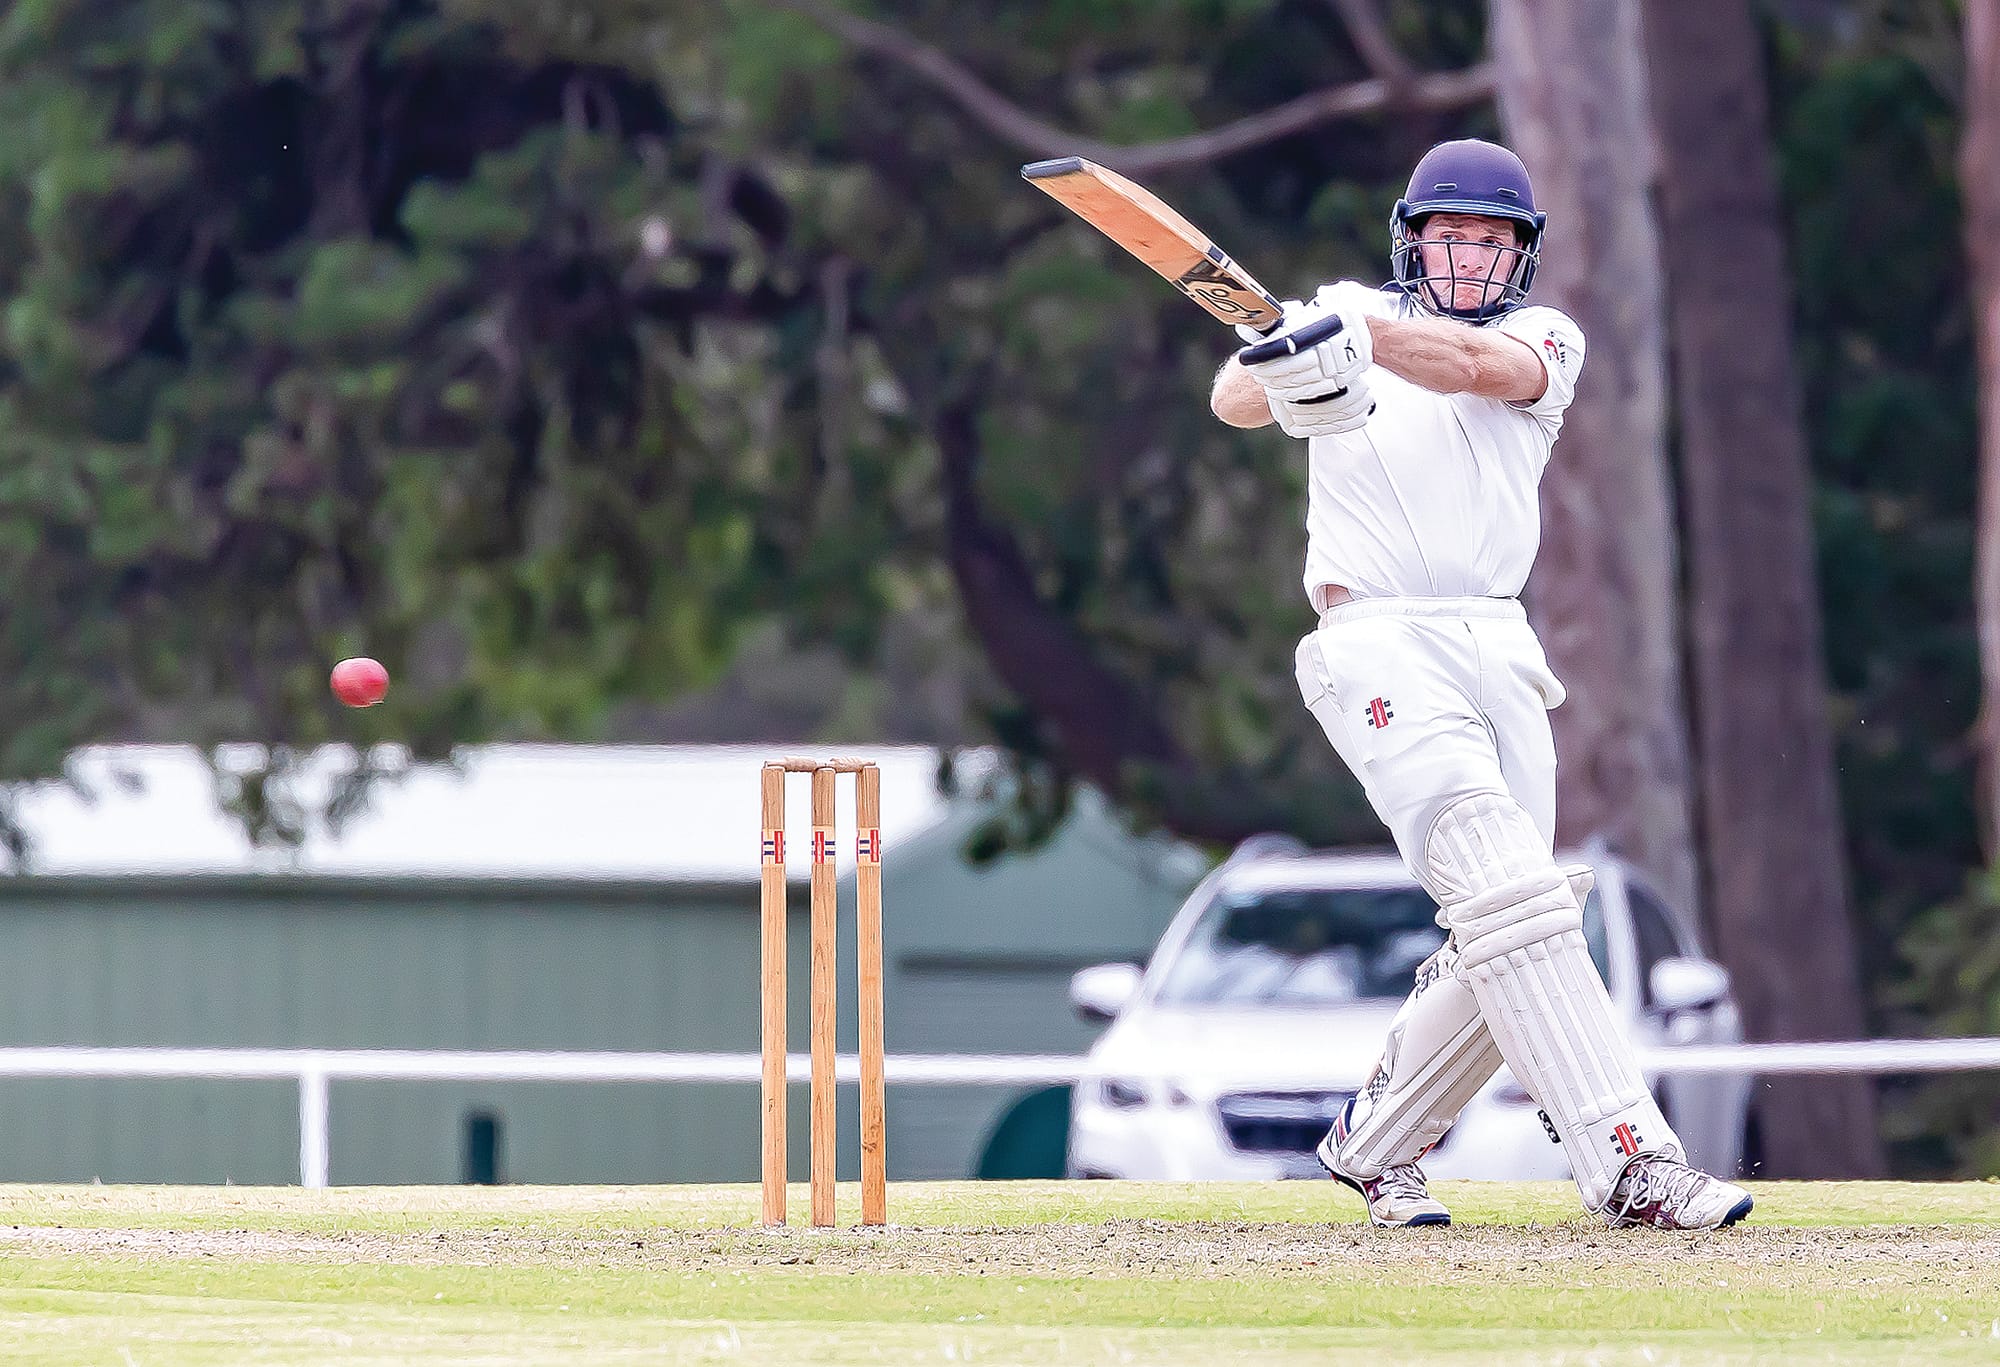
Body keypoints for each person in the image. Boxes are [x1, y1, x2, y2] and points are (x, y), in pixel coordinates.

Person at [1209, 138, 1753, 1232]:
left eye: (1489, 241)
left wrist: (1357, 337)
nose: (1468, 258)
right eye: (1449, 236)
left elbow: (1465, 369)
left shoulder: (1542, 338)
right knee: (1507, 893)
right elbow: (1231, 398)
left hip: (1496, 646)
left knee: (1515, 924)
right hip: (1373, 635)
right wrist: (1286, 357)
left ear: (1521, 256)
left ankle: (1373, 1145)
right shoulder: (1347, 306)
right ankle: (1631, 1160)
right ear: (1412, 240)